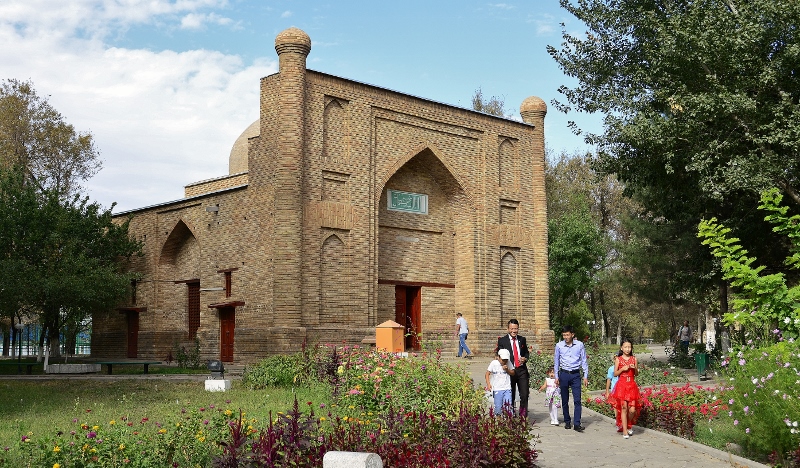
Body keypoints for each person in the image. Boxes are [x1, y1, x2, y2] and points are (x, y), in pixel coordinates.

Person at [554, 325, 588, 432]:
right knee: (565, 399)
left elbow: (583, 360)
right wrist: (556, 376)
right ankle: (567, 421)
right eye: (564, 335)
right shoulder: (559, 346)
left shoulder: (579, 345)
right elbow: (556, 362)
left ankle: (577, 423)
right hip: (564, 374)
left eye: (567, 335)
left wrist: (585, 376)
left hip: (575, 374)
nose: (566, 337)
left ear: (572, 335)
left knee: (577, 399)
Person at [608, 339, 642, 439]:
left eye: (629, 347)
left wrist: (634, 368)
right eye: (625, 347)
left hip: (631, 385)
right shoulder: (618, 359)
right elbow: (615, 374)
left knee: (632, 410)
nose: (627, 349)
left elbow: (636, 374)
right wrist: (622, 369)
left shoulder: (634, 359)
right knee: (624, 408)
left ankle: (627, 424)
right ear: (621, 348)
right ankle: (625, 431)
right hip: (622, 385)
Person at [496, 319, 530, 416]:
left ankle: (523, 415)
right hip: (510, 370)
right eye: (512, 329)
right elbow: (498, 354)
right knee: (511, 394)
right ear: (508, 329)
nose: (514, 331)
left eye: (516, 329)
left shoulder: (522, 339)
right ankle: (511, 414)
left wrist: (525, 358)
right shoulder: (502, 341)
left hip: (521, 370)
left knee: (524, 394)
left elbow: (526, 352)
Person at [485, 348, 515, 415]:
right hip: (497, 389)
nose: (504, 362)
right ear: (498, 357)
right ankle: (498, 420)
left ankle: (508, 421)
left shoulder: (508, 363)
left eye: (506, 360)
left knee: (508, 406)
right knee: (498, 407)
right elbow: (487, 373)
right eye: (503, 360)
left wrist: (507, 370)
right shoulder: (494, 363)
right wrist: (488, 384)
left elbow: (513, 373)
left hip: (507, 388)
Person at [605, 353, 621, 432]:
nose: (616, 360)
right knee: (616, 406)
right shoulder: (611, 369)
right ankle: (617, 419)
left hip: (622, 389)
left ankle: (622, 420)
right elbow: (609, 379)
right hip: (614, 389)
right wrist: (607, 391)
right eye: (615, 359)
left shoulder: (622, 368)